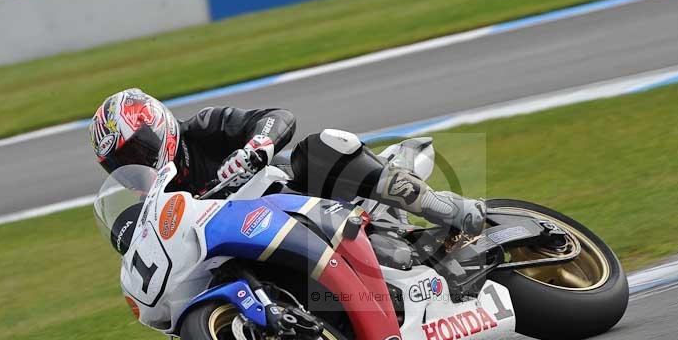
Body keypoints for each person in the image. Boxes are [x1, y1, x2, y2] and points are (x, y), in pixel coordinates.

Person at [89, 88, 484, 236]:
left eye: (137, 149)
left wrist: (257, 146)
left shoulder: (203, 127)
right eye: (122, 162)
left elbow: (278, 116)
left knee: (321, 147)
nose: (135, 163)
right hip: (255, 237)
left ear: (158, 125)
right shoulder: (157, 204)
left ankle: (442, 207)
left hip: (303, 193)